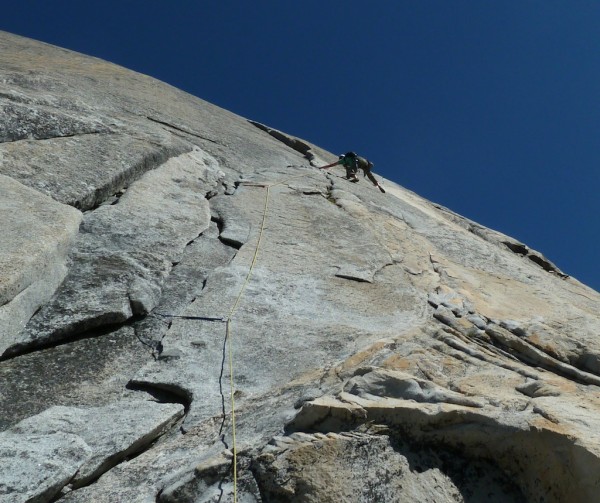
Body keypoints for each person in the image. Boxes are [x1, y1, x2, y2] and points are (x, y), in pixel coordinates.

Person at [319, 152, 385, 193]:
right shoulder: (352, 157)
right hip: (366, 164)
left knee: (349, 169)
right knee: (369, 175)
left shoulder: (343, 161)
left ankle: (355, 177)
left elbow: (331, 165)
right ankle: (377, 184)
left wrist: (322, 167)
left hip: (358, 165)